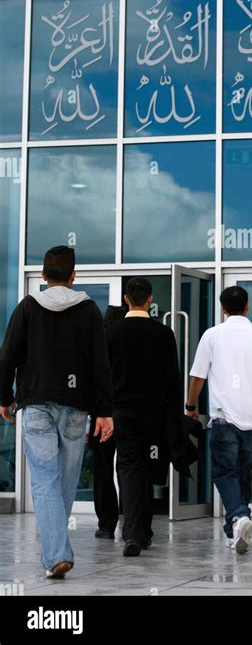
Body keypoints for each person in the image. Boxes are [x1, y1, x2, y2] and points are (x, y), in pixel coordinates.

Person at [0, 246, 113, 579]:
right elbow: (100, 365)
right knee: (64, 481)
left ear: (44, 275)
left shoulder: (28, 308)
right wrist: (105, 411)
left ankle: (56, 554)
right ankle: (56, 552)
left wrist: (5, 398)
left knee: (45, 480)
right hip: (76, 407)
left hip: (35, 405)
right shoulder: (90, 310)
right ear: (74, 274)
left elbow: (7, 356)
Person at [186, 286, 252, 555]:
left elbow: (198, 377)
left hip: (224, 417)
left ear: (222, 308)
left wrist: (190, 405)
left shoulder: (212, 335)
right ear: (247, 306)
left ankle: (240, 516)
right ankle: (235, 531)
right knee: (240, 475)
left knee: (224, 472)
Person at [106, 277, 180, 557]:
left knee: (128, 468)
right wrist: (175, 414)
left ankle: (133, 533)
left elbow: (103, 376)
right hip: (154, 413)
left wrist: (103, 411)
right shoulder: (163, 334)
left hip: (122, 412)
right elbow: (172, 378)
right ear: (149, 299)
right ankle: (142, 531)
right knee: (149, 469)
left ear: (126, 299)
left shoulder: (111, 333)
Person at [88, 305, 127, 539]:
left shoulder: (97, 343)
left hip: (100, 414)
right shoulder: (128, 344)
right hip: (126, 412)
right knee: (128, 469)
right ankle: (132, 520)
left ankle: (106, 524)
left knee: (102, 470)